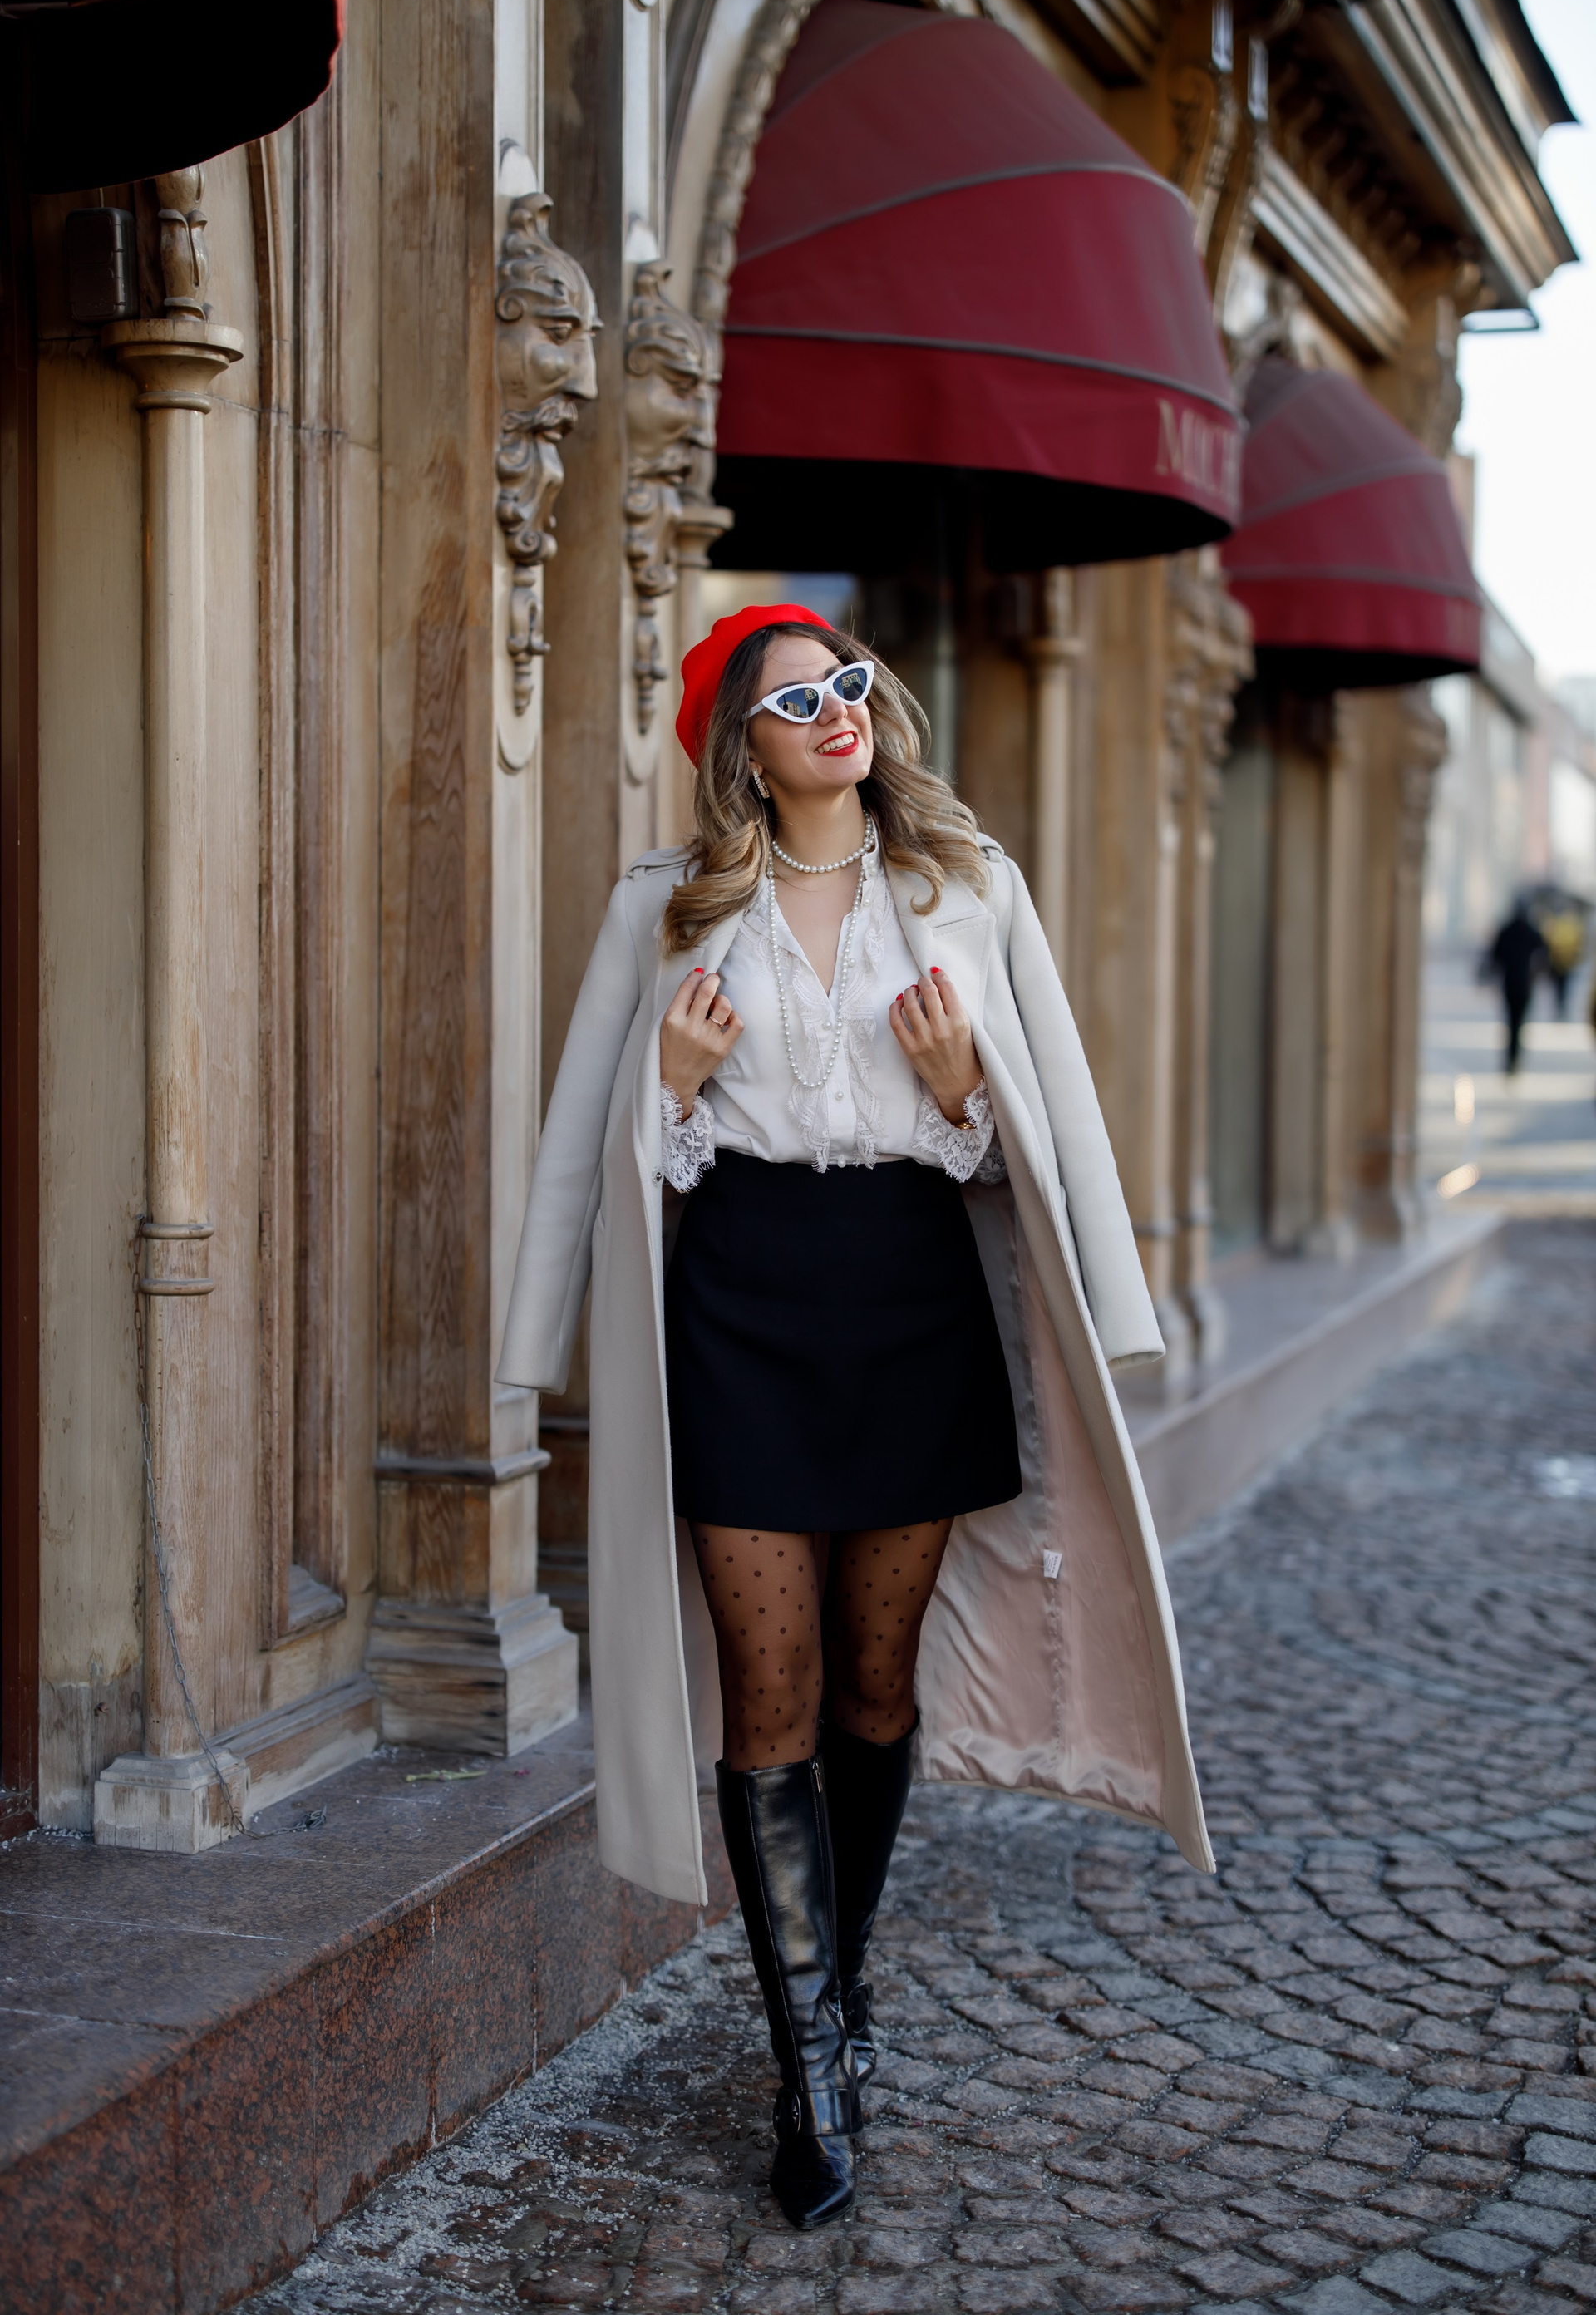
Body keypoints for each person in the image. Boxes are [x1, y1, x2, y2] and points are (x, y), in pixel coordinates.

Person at [498, 604, 1211, 2229]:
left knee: (875, 1688)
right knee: (774, 1692)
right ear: (741, 751)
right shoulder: (663, 908)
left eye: (852, 683)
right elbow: (587, 1139)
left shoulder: (968, 887)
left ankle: (846, 1970)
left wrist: (962, 1088)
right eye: (797, 698)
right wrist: (669, 1088)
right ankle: (809, 2058)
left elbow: (1038, 1127)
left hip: (910, 1297)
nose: (838, 710)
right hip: (739, 1301)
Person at [1487, 900, 1548, 1073]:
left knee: (1511, 1021)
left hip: (1510, 984)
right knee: (1519, 1022)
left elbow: (1494, 957)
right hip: (1524, 984)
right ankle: (1515, 1058)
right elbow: (1544, 953)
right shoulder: (1531, 931)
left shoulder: (1506, 931)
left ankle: (1511, 1058)